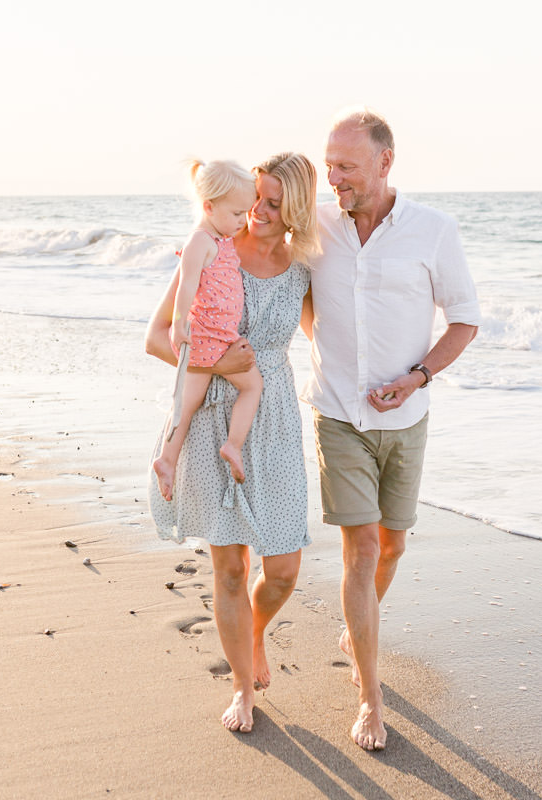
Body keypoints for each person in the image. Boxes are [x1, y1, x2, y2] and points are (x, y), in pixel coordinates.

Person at [303, 108, 481, 751]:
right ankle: (369, 700)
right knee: (363, 551)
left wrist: (417, 377)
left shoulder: (434, 231)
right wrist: (325, 354)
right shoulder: (317, 224)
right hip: (338, 415)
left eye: (346, 166)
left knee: (394, 545)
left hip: (407, 417)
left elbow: (463, 321)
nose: (334, 177)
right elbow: (291, 286)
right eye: (329, 164)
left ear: (385, 161)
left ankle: (360, 625)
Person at [147, 152, 320, 734]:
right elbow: (156, 337)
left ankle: (253, 631)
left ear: (295, 207)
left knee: (284, 569)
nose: (260, 212)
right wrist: (219, 365)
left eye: (275, 203)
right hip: (213, 411)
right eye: (257, 199)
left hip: (273, 421)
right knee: (227, 569)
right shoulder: (215, 247)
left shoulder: (304, 266)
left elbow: (333, 338)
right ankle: (244, 688)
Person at [152, 159, 262, 501]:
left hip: (221, 337)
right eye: (236, 214)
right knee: (251, 387)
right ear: (208, 206)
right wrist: (180, 324)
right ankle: (232, 444)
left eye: (246, 213)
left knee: (187, 406)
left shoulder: (221, 236)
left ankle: (169, 460)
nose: (242, 222)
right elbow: (186, 287)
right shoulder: (200, 240)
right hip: (207, 338)